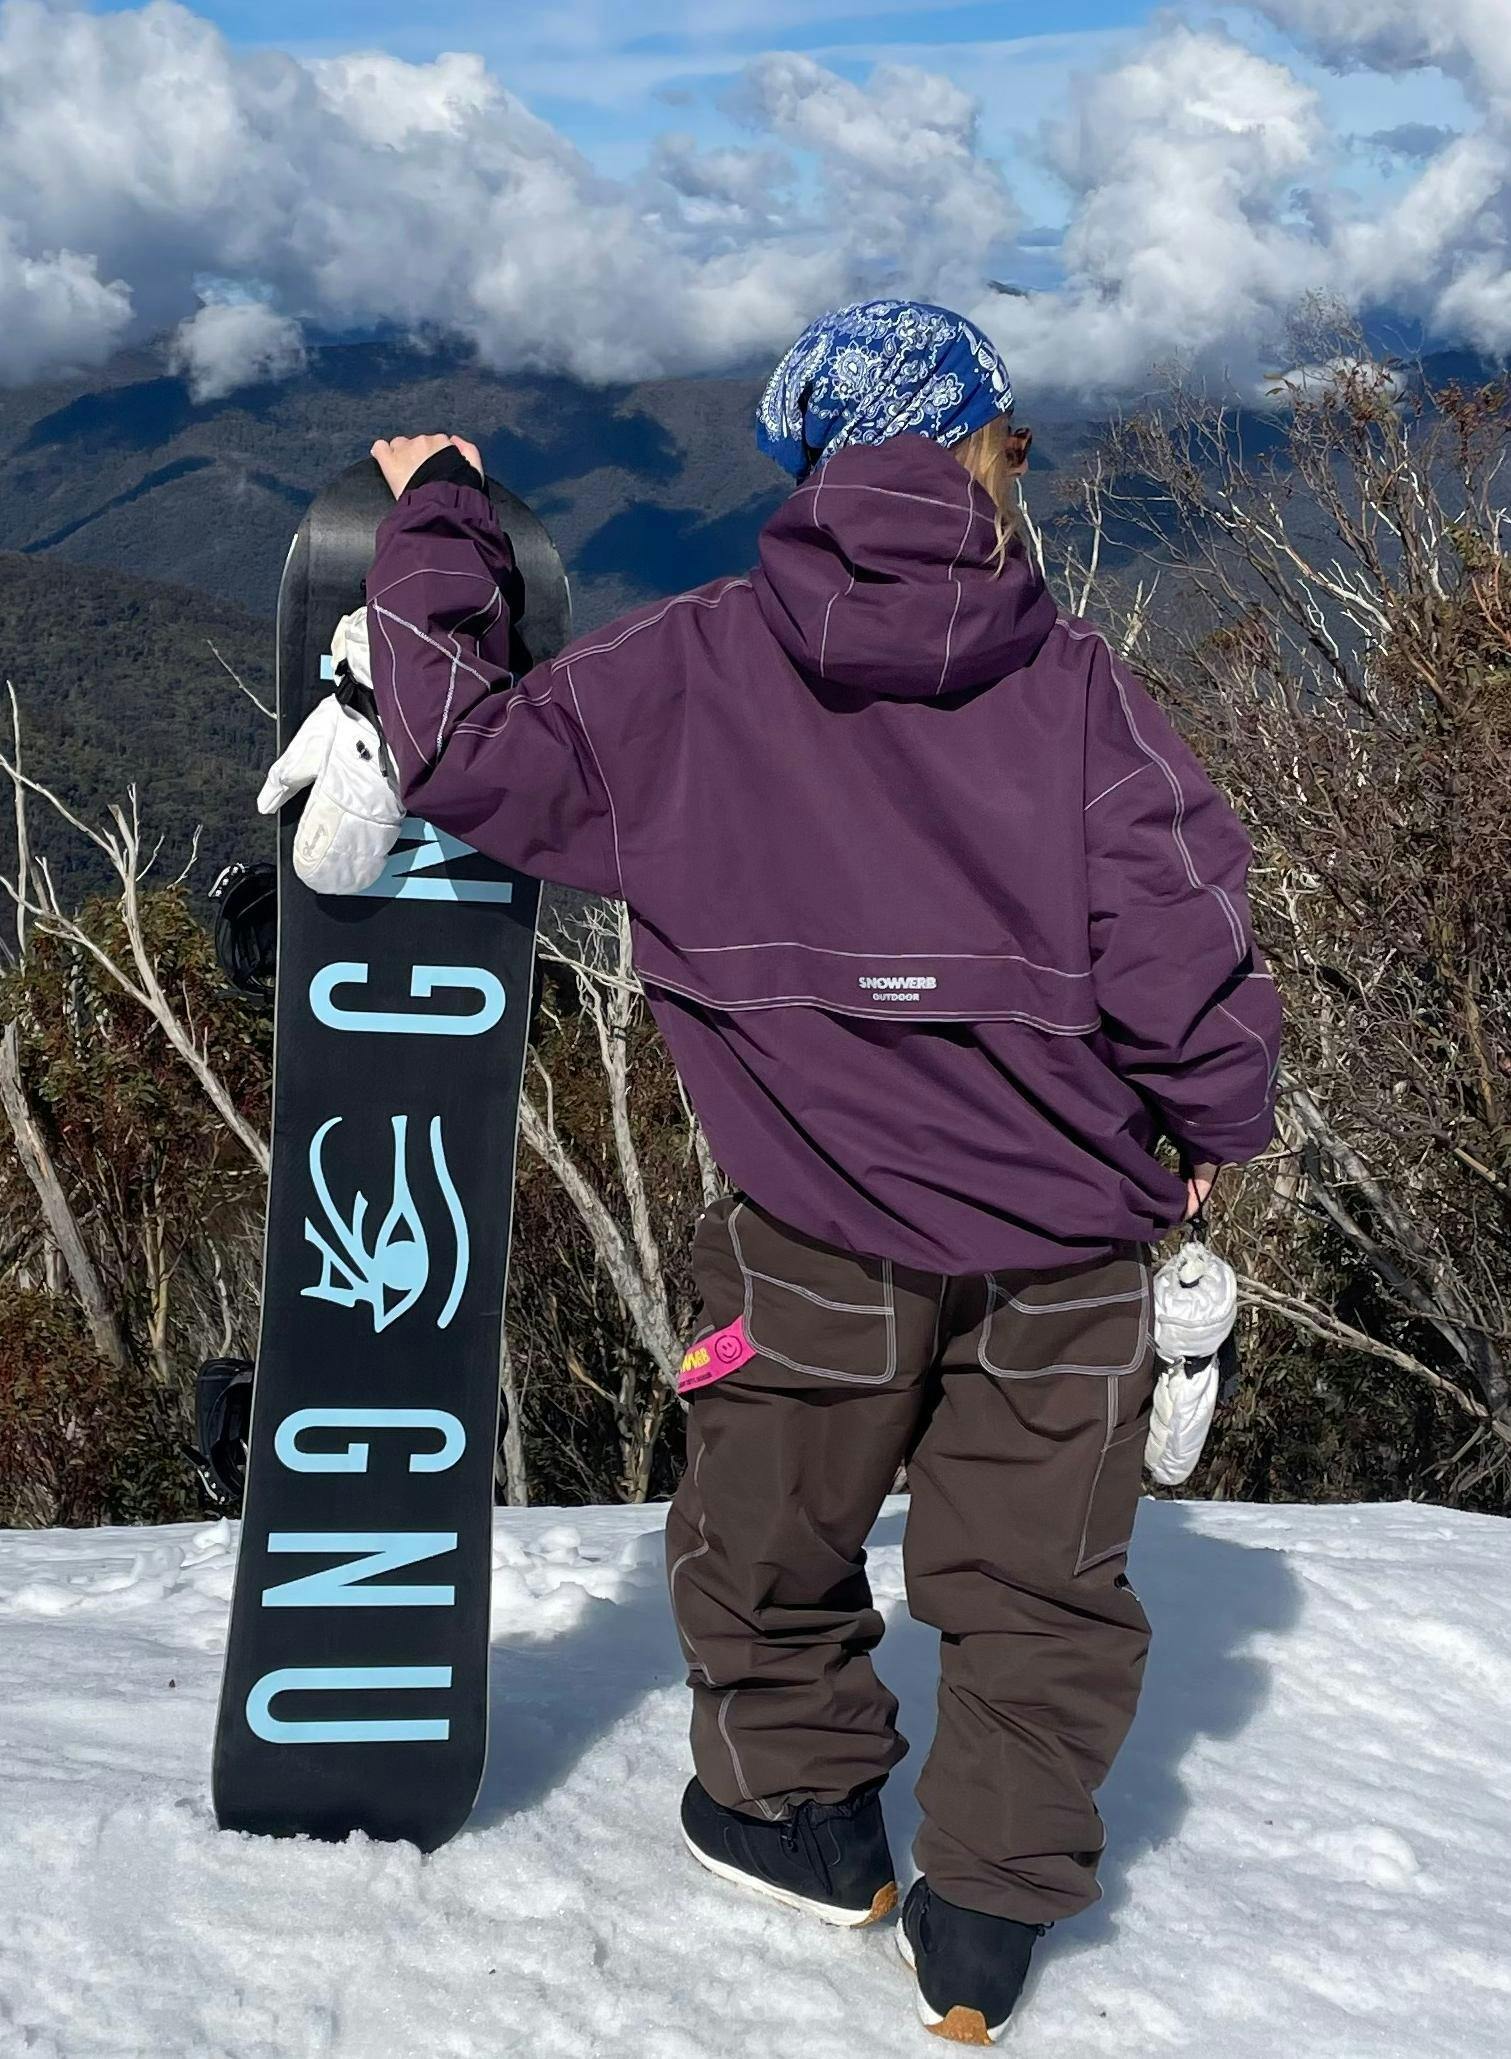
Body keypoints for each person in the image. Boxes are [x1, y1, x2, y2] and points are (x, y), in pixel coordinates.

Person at [367, 298, 1281, 2047]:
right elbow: (1186, 944)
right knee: (1039, 1592)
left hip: (812, 1230)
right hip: (1068, 1243)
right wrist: (1216, 1130)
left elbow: (463, 756)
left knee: (769, 1539)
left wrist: (440, 525)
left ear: (805, 460)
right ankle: (987, 1923)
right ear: (986, 454)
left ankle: (797, 1820)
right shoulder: (1081, 690)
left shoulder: (689, 669)